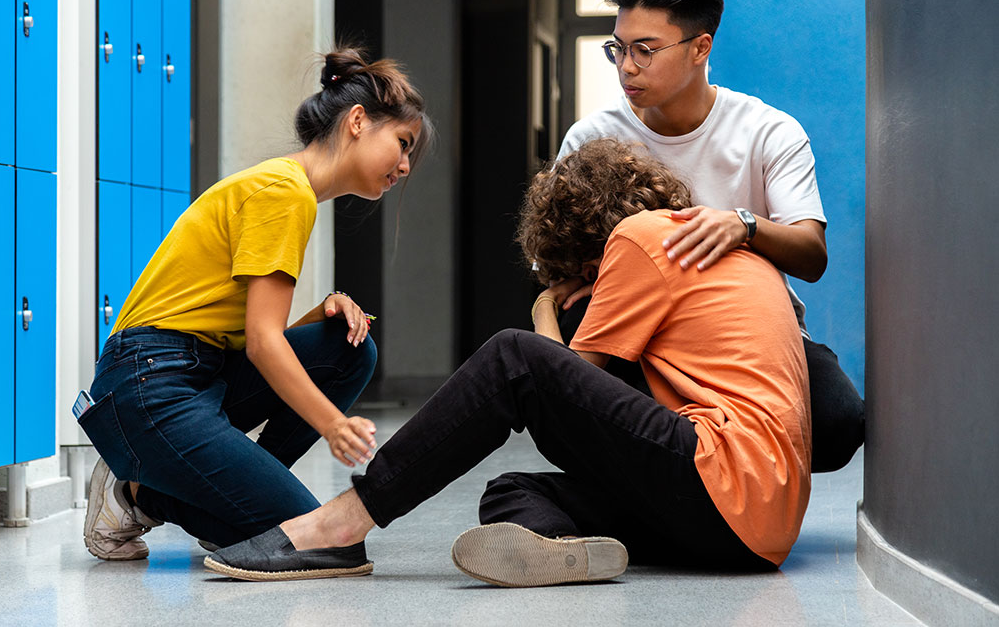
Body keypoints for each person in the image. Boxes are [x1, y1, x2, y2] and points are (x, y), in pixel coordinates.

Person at [202, 139, 811, 586]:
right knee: (513, 492)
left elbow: (565, 380)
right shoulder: (722, 250)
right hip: (755, 532)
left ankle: (341, 525)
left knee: (513, 357)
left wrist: (546, 305)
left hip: (722, 476)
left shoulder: (642, 236)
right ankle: (568, 549)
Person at [79, 48, 431, 562]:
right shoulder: (284, 192)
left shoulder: (289, 189)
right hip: (149, 384)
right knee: (328, 541)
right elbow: (265, 344)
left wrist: (325, 311)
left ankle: (230, 501)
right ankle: (132, 494)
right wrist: (335, 425)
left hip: (198, 370)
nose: (404, 166)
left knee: (349, 348)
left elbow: (254, 333)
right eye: (402, 144)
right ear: (358, 121)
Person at [557, 0, 864, 473]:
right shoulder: (591, 139)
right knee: (587, 388)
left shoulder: (768, 131)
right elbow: (561, 267)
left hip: (750, 331)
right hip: (639, 335)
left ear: (701, 48)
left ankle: (713, 472)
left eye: (645, 50)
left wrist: (742, 226)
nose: (626, 66)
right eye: (619, 48)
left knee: (838, 424)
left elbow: (811, 254)